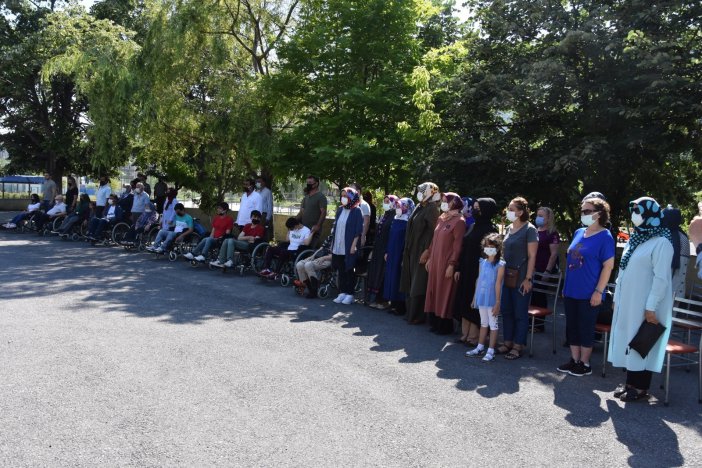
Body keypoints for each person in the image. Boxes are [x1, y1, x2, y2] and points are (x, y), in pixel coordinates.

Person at [609, 197, 674, 402]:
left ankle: (641, 387)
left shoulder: (662, 242)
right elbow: (623, 272)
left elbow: (661, 279)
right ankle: (630, 382)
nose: (634, 215)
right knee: (629, 340)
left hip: (646, 303)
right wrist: (617, 298)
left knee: (642, 341)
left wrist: (651, 307)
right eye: (634, 210)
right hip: (628, 302)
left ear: (650, 214)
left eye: (639, 211)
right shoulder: (636, 239)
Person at [557, 197, 615, 377]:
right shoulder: (578, 232)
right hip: (571, 290)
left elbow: (608, 266)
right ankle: (574, 360)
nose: (583, 214)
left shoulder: (605, 236)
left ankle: (585, 363)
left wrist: (599, 291)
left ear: (599, 214)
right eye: (582, 211)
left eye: (587, 211)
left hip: (590, 292)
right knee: (572, 326)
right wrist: (565, 288)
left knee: (586, 327)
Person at [454, 198, 499, 345]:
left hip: (480, 271)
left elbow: (490, 253)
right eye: (474, 207)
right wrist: (458, 268)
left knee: (476, 302)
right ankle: (465, 334)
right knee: (465, 299)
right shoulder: (472, 225)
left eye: (478, 208)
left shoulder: (491, 229)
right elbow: (464, 247)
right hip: (466, 269)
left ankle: (474, 336)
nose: (474, 210)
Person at [498, 197, 538, 360]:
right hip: (506, 275)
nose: (508, 211)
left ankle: (518, 345)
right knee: (506, 310)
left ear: (521, 212)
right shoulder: (508, 228)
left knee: (520, 312)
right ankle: (507, 341)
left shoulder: (530, 229)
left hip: (521, 277)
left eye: (512, 209)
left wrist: (528, 278)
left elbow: (532, 255)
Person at [424, 193, 466, 334]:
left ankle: (444, 325)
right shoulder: (441, 218)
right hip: (435, 261)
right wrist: (429, 257)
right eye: (442, 201)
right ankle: (434, 322)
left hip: (446, 262)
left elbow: (458, 245)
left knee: (444, 291)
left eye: (445, 201)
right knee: (434, 290)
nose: (443, 203)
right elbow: (433, 240)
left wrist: (452, 264)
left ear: (454, 203)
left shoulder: (459, 221)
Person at [400, 182, 441, 324]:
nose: (419, 193)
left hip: (421, 250)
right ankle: (410, 313)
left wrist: (427, 252)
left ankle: (417, 315)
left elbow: (433, 233)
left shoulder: (432, 209)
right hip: (412, 249)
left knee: (418, 282)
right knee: (410, 280)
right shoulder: (420, 206)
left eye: (422, 191)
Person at [466, 233, 505, 362]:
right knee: (483, 323)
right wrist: (474, 297)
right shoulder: (482, 262)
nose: (489, 248)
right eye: (487, 246)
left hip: (493, 299)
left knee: (493, 325)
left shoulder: (500, 265)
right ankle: (480, 347)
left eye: (492, 246)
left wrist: (498, 302)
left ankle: (491, 350)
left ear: (498, 248)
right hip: (482, 297)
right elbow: (479, 279)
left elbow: (498, 283)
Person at [330, 187, 364, 305]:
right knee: (341, 269)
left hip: (349, 245)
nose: (343, 198)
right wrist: (332, 244)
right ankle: (342, 292)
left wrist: (354, 245)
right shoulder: (340, 210)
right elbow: (336, 227)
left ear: (351, 198)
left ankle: (350, 294)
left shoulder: (357, 211)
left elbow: (358, 230)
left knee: (349, 269)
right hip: (338, 245)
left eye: (345, 196)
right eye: (342, 195)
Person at [531, 206, 560, 332]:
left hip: (544, 269)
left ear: (549, 218)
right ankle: (529, 322)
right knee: (530, 295)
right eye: (538, 215)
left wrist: (547, 271)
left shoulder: (552, 233)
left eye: (542, 216)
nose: (538, 218)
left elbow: (553, 254)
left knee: (539, 295)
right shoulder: (535, 230)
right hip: (532, 268)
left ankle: (539, 324)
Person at [383, 197, 414, 316]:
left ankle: (400, 307)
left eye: (401, 206)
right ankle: (393, 303)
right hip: (391, 252)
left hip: (400, 253)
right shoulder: (396, 219)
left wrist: (403, 256)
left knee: (398, 278)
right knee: (391, 277)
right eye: (398, 206)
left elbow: (406, 241)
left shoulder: (408, 221)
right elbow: (390, 237)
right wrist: (387, 251)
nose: (398, 208)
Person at [366, 195, 398, 308]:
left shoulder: (395, 216)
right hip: (378, 249)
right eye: (384, 201)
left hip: (385, 250)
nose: (385, 204)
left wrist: (388, 250)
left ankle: (381, 301)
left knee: (382, 273)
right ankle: (371, 299)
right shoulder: (385, 215)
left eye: (388, 202)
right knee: (375, 272)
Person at [661, 206, 689, 299]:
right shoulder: (682, 236)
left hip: (671, 291)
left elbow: (681, 269)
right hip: (671, 290)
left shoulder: (679, 238)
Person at [297, 176, 328, 247]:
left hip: (313, 231)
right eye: (307, 182)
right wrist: (294, 220)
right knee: (301, 249)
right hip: (303, 229)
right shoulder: (306, 197)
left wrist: (318, 225)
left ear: (316, 184)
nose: (308, 184)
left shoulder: (321, 197)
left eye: (310, 182)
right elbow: (301, 211)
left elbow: (323, 212)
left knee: (309, 251)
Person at [256, 176, 274, 240]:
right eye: (257, 182)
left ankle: (264, 247)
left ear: (263, 182)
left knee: (263, 232)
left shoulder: (267, 192)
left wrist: (268, 217)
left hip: (264, 215)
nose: (257, 183)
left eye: (259, 181)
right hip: (256, 214)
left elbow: (270, 205)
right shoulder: (256, 192)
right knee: (257, 232)